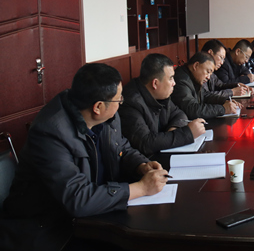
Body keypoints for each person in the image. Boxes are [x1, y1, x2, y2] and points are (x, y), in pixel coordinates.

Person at [2, 64, 168, 249]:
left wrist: (141, 165)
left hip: (94, 215)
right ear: (98, 107)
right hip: (51, 229)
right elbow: (78, 198)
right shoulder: (50, 133)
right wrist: (141, 188)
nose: (121, 102)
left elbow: (121, 147)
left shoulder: (107, 116)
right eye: (119, 99)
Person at [119, 53, 206, 157]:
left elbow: (178, 113)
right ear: (155, 83)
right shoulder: (131, 102)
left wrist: (174, 129)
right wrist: (187, 134)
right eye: (171, 78)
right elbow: (146, 143)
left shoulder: (161, 94)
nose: (174, 83)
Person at [172, 52, 239, 119]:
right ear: (196, 66)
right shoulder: (181, 80)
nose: (208, 77)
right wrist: (223, 109)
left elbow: (205, 95)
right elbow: (192, 110)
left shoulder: (193, 77)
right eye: (208, 72)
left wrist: (223, 101)